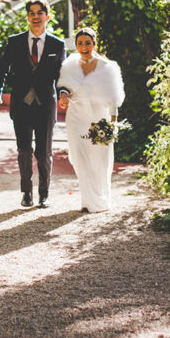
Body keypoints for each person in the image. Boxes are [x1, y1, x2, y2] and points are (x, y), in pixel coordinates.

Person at [0, 0, 66, 208]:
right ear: (28, 17)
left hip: (46, 105)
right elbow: (2, 68)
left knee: (44, 152)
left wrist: (63, 93)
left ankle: (44, 194)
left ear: (47, 16)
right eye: (31, 13)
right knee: (24, 150)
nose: (35, 16)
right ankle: (26, 194)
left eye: (39, 12)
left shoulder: (57, 45)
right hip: (21, 105)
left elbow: (62, 75)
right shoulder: (15, 42)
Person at [57, 27, 125, 212]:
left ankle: (100, 199)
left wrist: (113, 122)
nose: (84, 46)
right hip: (76, 117)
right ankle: (88, 201)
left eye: (88, 43)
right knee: (80, 158)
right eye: (80, 43)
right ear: (76, 45)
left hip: (100, 118)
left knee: (100, 159)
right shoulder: (70, 64)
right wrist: (63, 95)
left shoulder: (107, 67)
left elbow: (114, 98)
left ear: (94, 44)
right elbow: (64, 86)